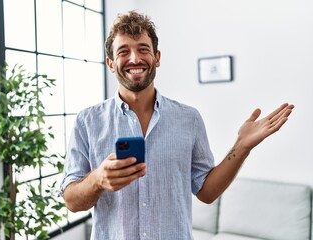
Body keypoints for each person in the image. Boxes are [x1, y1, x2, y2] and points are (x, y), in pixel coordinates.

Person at [60, 11, 294, 240]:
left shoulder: (189, 119)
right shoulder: (87, 121)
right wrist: (98, 179)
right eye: (124, 51)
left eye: (143, 49)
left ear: (157, 58)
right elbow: (71, 201)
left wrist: (242, 146)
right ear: (111, 63)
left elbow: (207, 192)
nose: (134, 59)